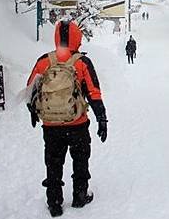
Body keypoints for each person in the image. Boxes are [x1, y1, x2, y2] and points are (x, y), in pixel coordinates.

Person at [26, 20, 108, 217]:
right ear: (77, 37)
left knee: (53, 162)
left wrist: (34, 112)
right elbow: (94, 93)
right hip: (77, 124)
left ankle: (54, 202)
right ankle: (80, 196)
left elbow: (31, 89)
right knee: (80, 159)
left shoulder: (44, 61)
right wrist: (102, 119)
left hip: (51, 125)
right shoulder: (82, 62)